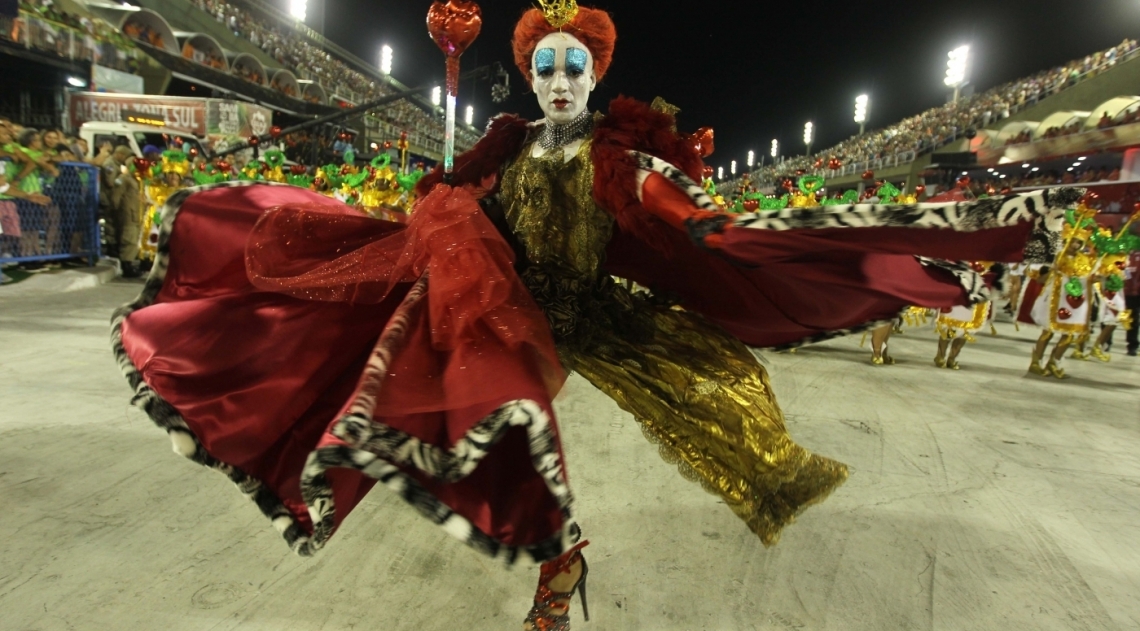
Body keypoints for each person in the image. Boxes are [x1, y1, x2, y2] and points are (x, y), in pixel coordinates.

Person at [110, 5, 1075, 631]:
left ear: (597, 72)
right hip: (509, 307)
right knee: (482, 403)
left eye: (578, 63)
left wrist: (725, 227)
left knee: (713, 400)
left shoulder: (620, 158)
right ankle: (561, 571)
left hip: (600, 314)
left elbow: (688, 219)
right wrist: (439, 211)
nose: (563, 76)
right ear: (530, 74)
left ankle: (558, 565)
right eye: (547, 63)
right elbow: (454, 206)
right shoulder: (505, 146)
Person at [101, 145, 142, 277]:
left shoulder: (137, 180)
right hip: (126, 212)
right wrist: (116, 210)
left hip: (134, 213)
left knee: (133, 237)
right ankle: (126, 264)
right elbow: (115, 195)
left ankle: (130, 261)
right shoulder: (123, 179)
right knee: (128, 237)